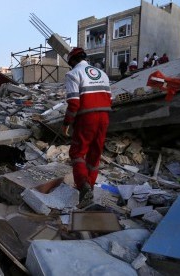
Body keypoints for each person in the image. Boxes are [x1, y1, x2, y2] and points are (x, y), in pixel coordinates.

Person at [61, 47, 112, 207]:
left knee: (77, 153)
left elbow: (74, 103)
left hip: (86, 117)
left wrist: (66, 122)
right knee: (95, 154)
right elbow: (109, 98)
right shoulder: (102, 74)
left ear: (72, 61)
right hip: (104, 116)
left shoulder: (73, 74)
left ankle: (83, 187)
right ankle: (89, 187)